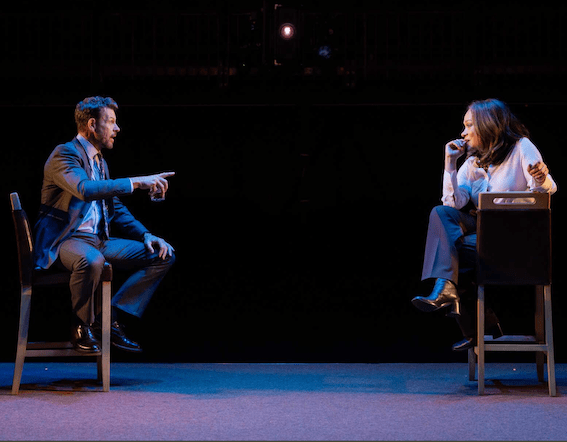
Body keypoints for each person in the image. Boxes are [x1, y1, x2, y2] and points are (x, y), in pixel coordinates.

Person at [411, 98, 557, 351]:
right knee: (441, 214)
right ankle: (460, 301)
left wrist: (540, 178)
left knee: (452, 251)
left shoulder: (521, 147)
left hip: (516, 239)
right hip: (484, 237)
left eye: (469, 125)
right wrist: (450, 164)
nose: (463, 132)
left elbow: (547, 189)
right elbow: (452, 203)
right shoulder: (472, 164)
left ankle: (469, 316)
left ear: (487, 125)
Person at [34, 96, 176, 354]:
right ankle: (81, 325)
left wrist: (145, 234)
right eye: (110, 121)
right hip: (66, 240)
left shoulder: (100, 161)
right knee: (92, 261)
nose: (117, 128)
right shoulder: (64, 154)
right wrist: (136, 182)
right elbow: (84, 189)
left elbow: (114, 207)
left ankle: (108, 318)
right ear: (92, 125)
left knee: (162, 255)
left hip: (99, 241)